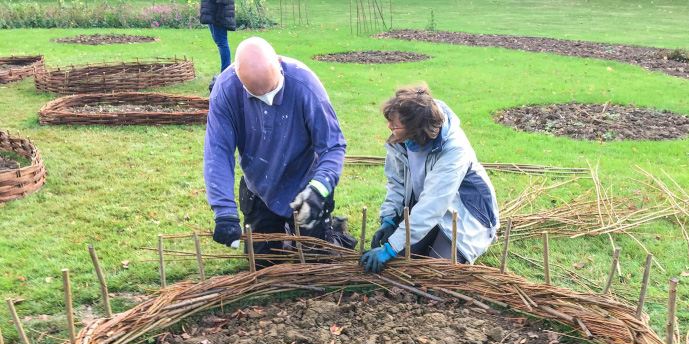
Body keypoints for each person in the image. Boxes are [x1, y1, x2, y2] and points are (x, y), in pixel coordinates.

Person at [204, 37, 355, 266]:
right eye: (257, 95)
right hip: (260, 186)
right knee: (262, 263)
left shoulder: (304, 84)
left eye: (273, 90)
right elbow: (218, 151)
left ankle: (334, 234)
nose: (268, 100)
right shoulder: (225, 90)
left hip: (305, 183)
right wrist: (224, 211)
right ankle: (286, 232)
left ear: (279, 61)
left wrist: (318, 190)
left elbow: (333, 146)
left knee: (314, 259)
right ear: (237, 73)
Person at [361, 84, 499, 273]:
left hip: (465, 214)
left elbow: (433, 204)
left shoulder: (454, 149)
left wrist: (390, 248)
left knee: (436, 273)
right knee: (399, 263)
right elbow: (397, 183)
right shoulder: (401, 141)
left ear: (415, 128)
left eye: (395, 124)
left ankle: (480, 238)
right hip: (428, 207)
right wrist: (389, 218)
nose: (389, 126)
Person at [200, 0, 235, 92]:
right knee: (220, 42)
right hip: (214, 12)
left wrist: (218, 17)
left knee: (222, 43)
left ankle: (225, 72)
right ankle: (226, 71)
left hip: (218, 14)